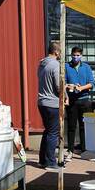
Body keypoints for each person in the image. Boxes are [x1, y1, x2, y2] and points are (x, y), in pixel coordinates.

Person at [36, 41, 63, 169]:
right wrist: (65, 95)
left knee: (47, 131)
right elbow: (58, 86)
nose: (61, 54)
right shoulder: (55, 65)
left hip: (42, 102)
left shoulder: (42, 64)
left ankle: (42, 160)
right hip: (52, 103)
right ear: (56, 52)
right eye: (61, 51)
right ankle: (51, 162)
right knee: (53, 133)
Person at [64, 46, 94, 152]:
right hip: (72, 100)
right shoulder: (67, 67)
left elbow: (91, 83)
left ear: (81, 56)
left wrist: (81, 88)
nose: (75, 57)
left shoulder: (86, 67)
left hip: (84, 100)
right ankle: (70, 151)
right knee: (71, 126)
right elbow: (63, 82)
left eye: (78, 55)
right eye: (74, 55)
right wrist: (69, 86)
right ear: (71, 55)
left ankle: (85, 149)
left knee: (84, 126)